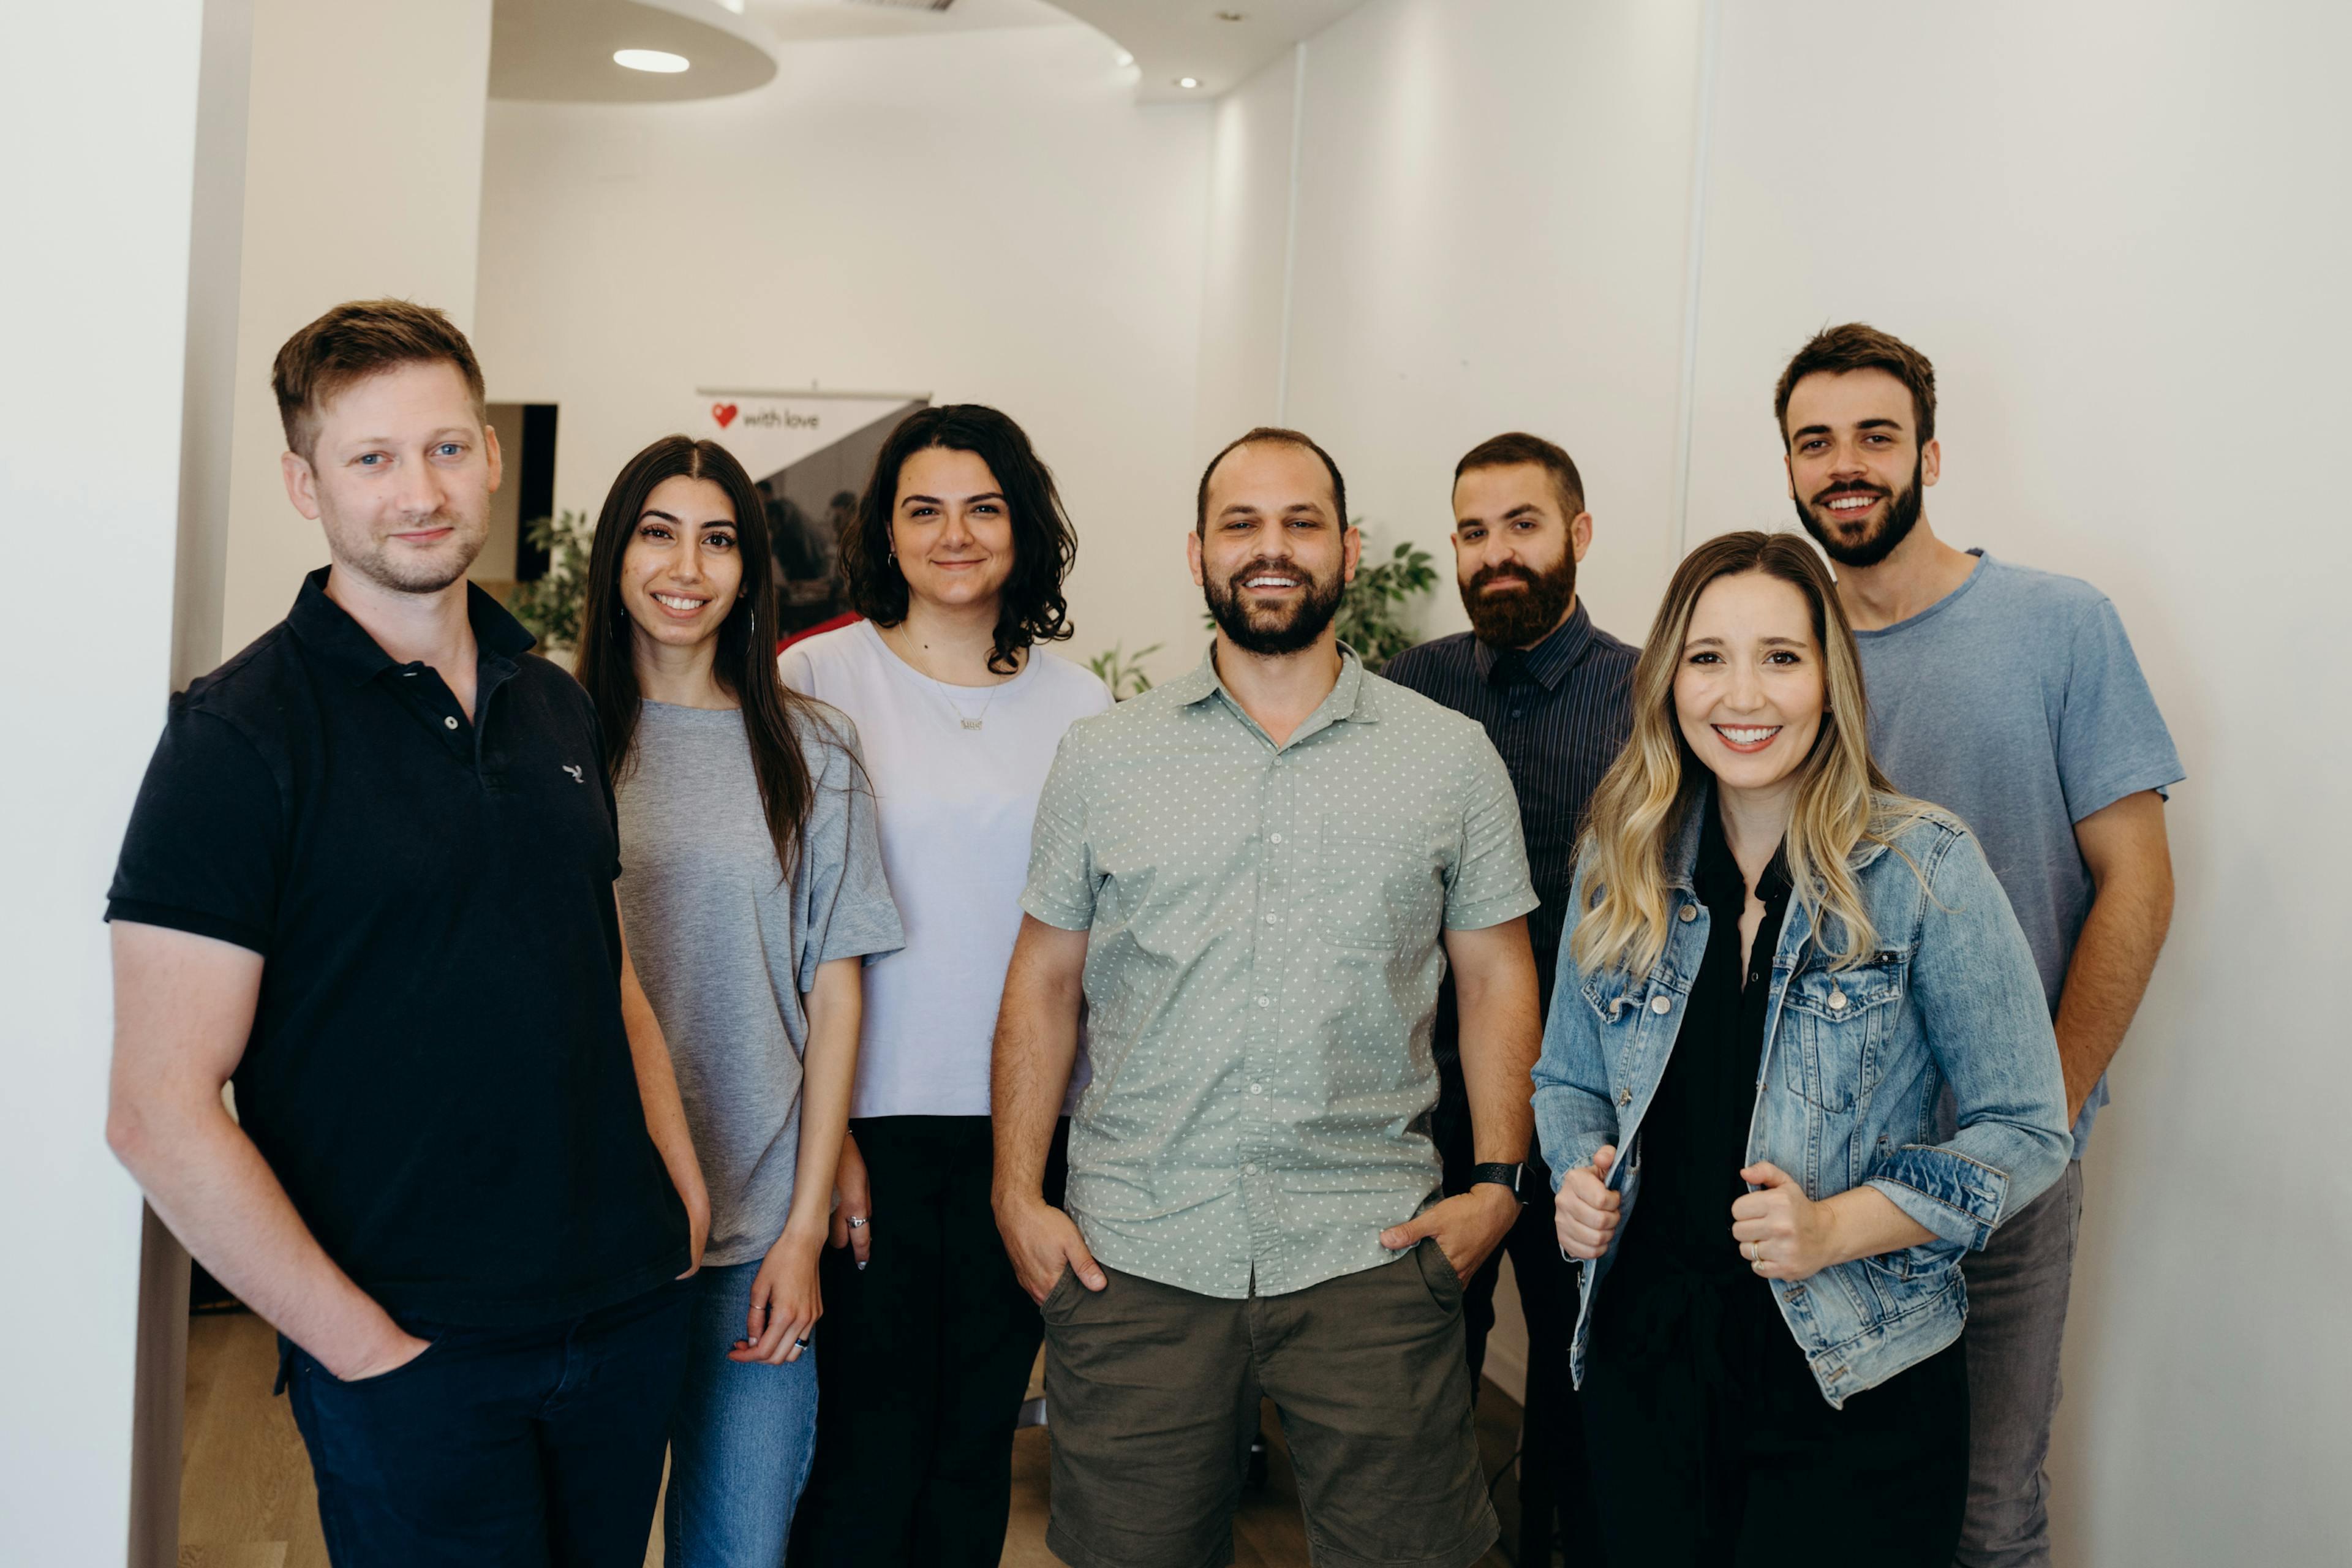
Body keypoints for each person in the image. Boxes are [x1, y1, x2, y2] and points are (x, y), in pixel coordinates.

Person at [102, 301, 707, 1567]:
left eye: (444, 447)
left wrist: (678, 1194)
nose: (419, 491)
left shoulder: (554, 703)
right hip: (411, 1354)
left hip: (623, 1316)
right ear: (305, 483)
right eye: (371, 457)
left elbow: (608, 976)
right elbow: (158, 1109)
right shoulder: (236, 737)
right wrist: (364, 1347)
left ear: (490, 456)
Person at [993, 426, 1544, 1568]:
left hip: (1371, 1251)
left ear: (1348, 548)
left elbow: (1497, 975)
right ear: (1198, 551)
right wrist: (1015, 1192)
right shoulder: (1103, 757)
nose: (1271, 547)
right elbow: (1044, 979)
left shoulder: (1449, 758)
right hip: (1136, 1253)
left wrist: (1498, 1183)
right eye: (1241, 524)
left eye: (1301, 522)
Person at [1535, 529, 2073, 1567]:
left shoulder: (1923, 867)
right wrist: (1574, 1174)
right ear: (1669, 680)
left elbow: (2028, 1128)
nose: (1743, 695)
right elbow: (1566, 1076)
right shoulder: (1619, 859)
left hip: (1853, 1376)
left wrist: (1835, 1227)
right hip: (1646, 1368)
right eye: (1708, 657)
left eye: (1781, 657)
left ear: (1831, 682)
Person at [1773, 324, 2181, 1568]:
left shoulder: (2060, 626)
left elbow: (2138, 884)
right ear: (1790, 468)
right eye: (1816, 442)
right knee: (1822, 1511)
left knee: (1991, 1518)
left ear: (1931, 455)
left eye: (1877, 436)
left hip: (2001, 1182)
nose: (1847, 464)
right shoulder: (1781, 657)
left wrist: (2039, 1115)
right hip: (1816, 1182)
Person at [783, 405, 1110, 1567]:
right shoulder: (815, 678)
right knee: (864, 1448)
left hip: (1025, 1130)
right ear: (886, 530)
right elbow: (783, 928)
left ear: (1024, 527)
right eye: (924, 509)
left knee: (974, 1446)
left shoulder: (1082, 706)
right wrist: (826, 1141)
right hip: (865, 1121)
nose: (954, 534)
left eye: (983, 508)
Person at [570, 435, 903, 1565]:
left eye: (718, 540)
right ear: (616, 555)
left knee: (738, 1551)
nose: (687, 567)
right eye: (658, 533)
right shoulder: (549, 736)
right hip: (592, 1242)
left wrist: (805, 1231)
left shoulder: (813, 749)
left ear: (752, 571)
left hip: (757, 1235)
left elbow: (835, 992)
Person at [1383, 431, 1634, 1562]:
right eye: (1474, 533)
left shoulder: (1647, 695)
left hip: (1595, 1103)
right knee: (1424, 1370)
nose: (1497, 555)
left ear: (1577, 534)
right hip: (1430, 1097)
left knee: (1587, 1379)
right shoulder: (1406, 690)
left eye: (1523, 526)